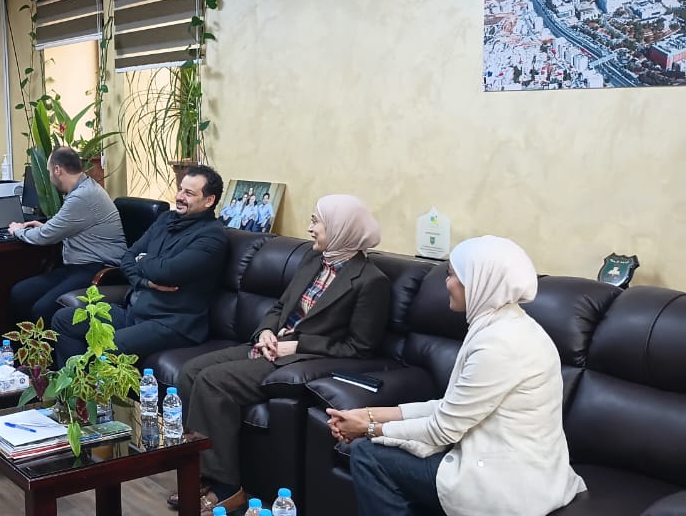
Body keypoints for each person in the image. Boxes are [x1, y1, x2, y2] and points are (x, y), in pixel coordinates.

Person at [327, 236, 585, 516]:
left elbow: (443, 429)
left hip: (507, 481)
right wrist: (369, 414)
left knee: (368, 455)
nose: (446, 283)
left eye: (451, 275)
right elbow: (452, 406)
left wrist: (366, 429)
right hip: (515, 463)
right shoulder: (508, 325)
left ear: (477, 282)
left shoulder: (499, 345)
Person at [172, 194, 390, 514]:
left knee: (214, 381)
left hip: (303, 361)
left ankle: (227, 488)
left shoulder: (371, 281)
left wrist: (299, 345)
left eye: (317, 222)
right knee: (190, 371)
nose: (310, 228)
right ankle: (201, 473)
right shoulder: (314, 259)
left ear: (340, 228)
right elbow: (279, 307)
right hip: (273, 345)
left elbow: (360, 347)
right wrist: (266, 331)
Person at [48, 165, 227, 367]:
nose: (179, 197)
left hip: (172, 323)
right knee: (64, 319)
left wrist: (142, 259)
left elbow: (166, 273)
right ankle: (75, 385)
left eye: (189, 193)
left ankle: (94, 386)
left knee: (109, 345)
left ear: (209, 201)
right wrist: (144, 282)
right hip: (134, 312)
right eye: (180, 189)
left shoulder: (212, 236)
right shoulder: (166, 219)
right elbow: (127, 257)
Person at [8, 147, 126, 327]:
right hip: (77, 266)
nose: (49, 177)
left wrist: (17, 230)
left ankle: (48, 346)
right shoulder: (84, 188)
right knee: (21, 293)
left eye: (49, 172)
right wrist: (46, 227)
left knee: (43, 309)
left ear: (57, 170)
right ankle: (26, 344)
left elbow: (44, 237)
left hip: (97, 268)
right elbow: (66, 226)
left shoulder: (83, 196)